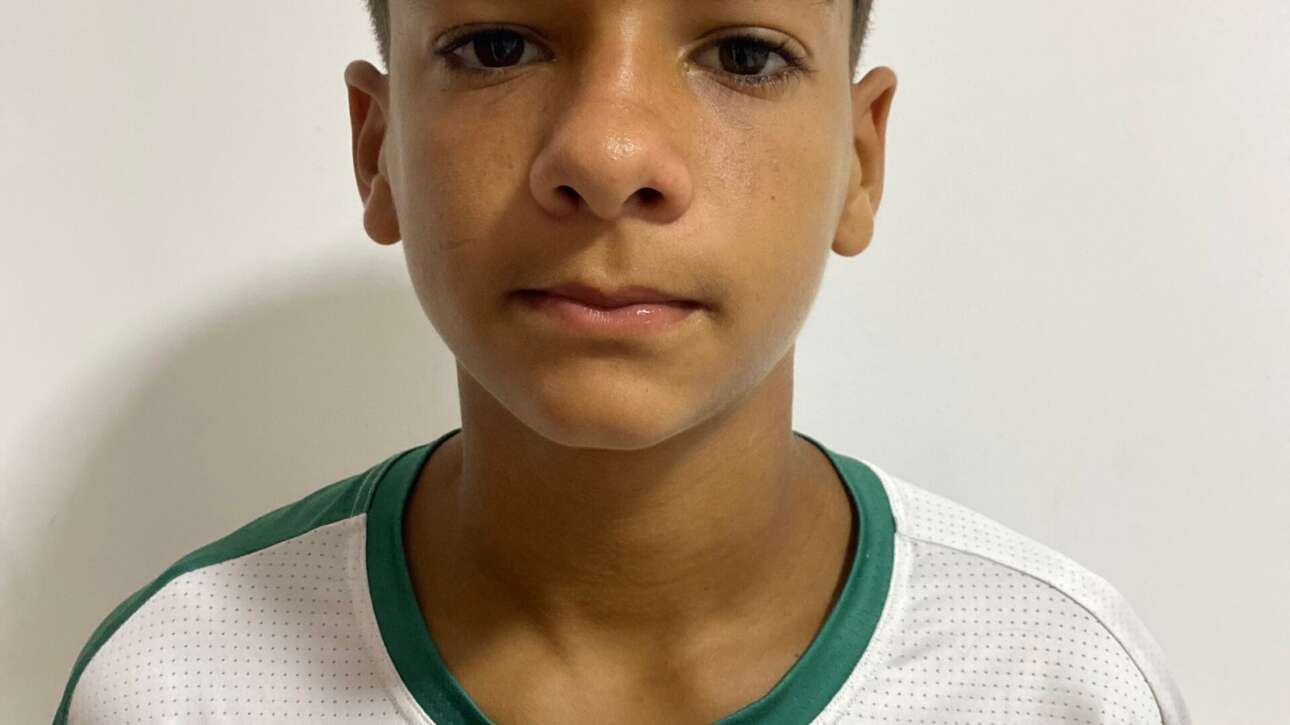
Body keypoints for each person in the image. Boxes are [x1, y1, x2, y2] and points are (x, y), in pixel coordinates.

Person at [53, 1, 1191, 723]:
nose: (607, 154)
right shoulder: (178, 686)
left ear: (860, 161)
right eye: (497, 46)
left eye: (742, 54)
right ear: (376, 146)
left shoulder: (1061, 685)